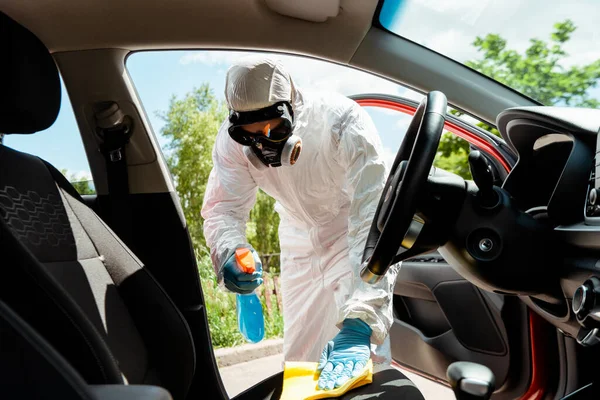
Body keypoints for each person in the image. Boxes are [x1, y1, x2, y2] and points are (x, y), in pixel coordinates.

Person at [201, 57, 403, 391]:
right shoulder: (232, 145)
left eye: (274, 131)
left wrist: (363, 317)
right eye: (250, 136)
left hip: (350, 232)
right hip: (297, 237)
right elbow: (223, 208)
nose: (264, 146)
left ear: (292, 106)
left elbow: (375, 217)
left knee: (363, 355)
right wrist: (230, 251)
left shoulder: (340, 120)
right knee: (301, 360)